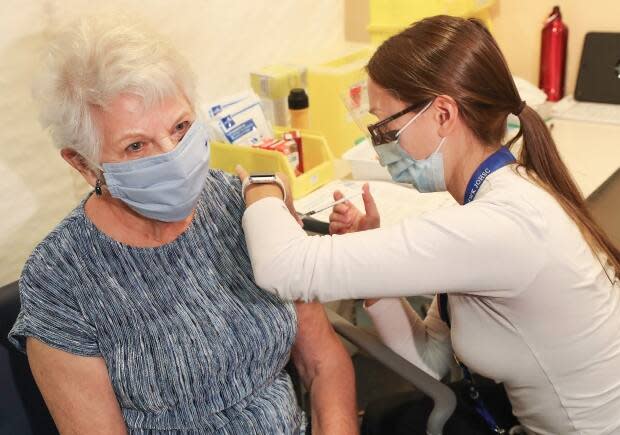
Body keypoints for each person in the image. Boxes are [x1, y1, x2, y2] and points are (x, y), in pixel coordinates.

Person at [236, 15, 620, 435]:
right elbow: (431, 359)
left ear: (442, 114)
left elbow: (284, 267)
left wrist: (262, 182)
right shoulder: (504, 194)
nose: (380, 145)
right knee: (390, 416)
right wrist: (374, 273)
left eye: (386, 127)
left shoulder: (501, 227)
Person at [7, 16, 358, 435]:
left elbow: (323, 364)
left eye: (180, 128)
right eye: (136, 145)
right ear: (83, 165)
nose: (172, 156)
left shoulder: (245, 207)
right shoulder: (60, 281)